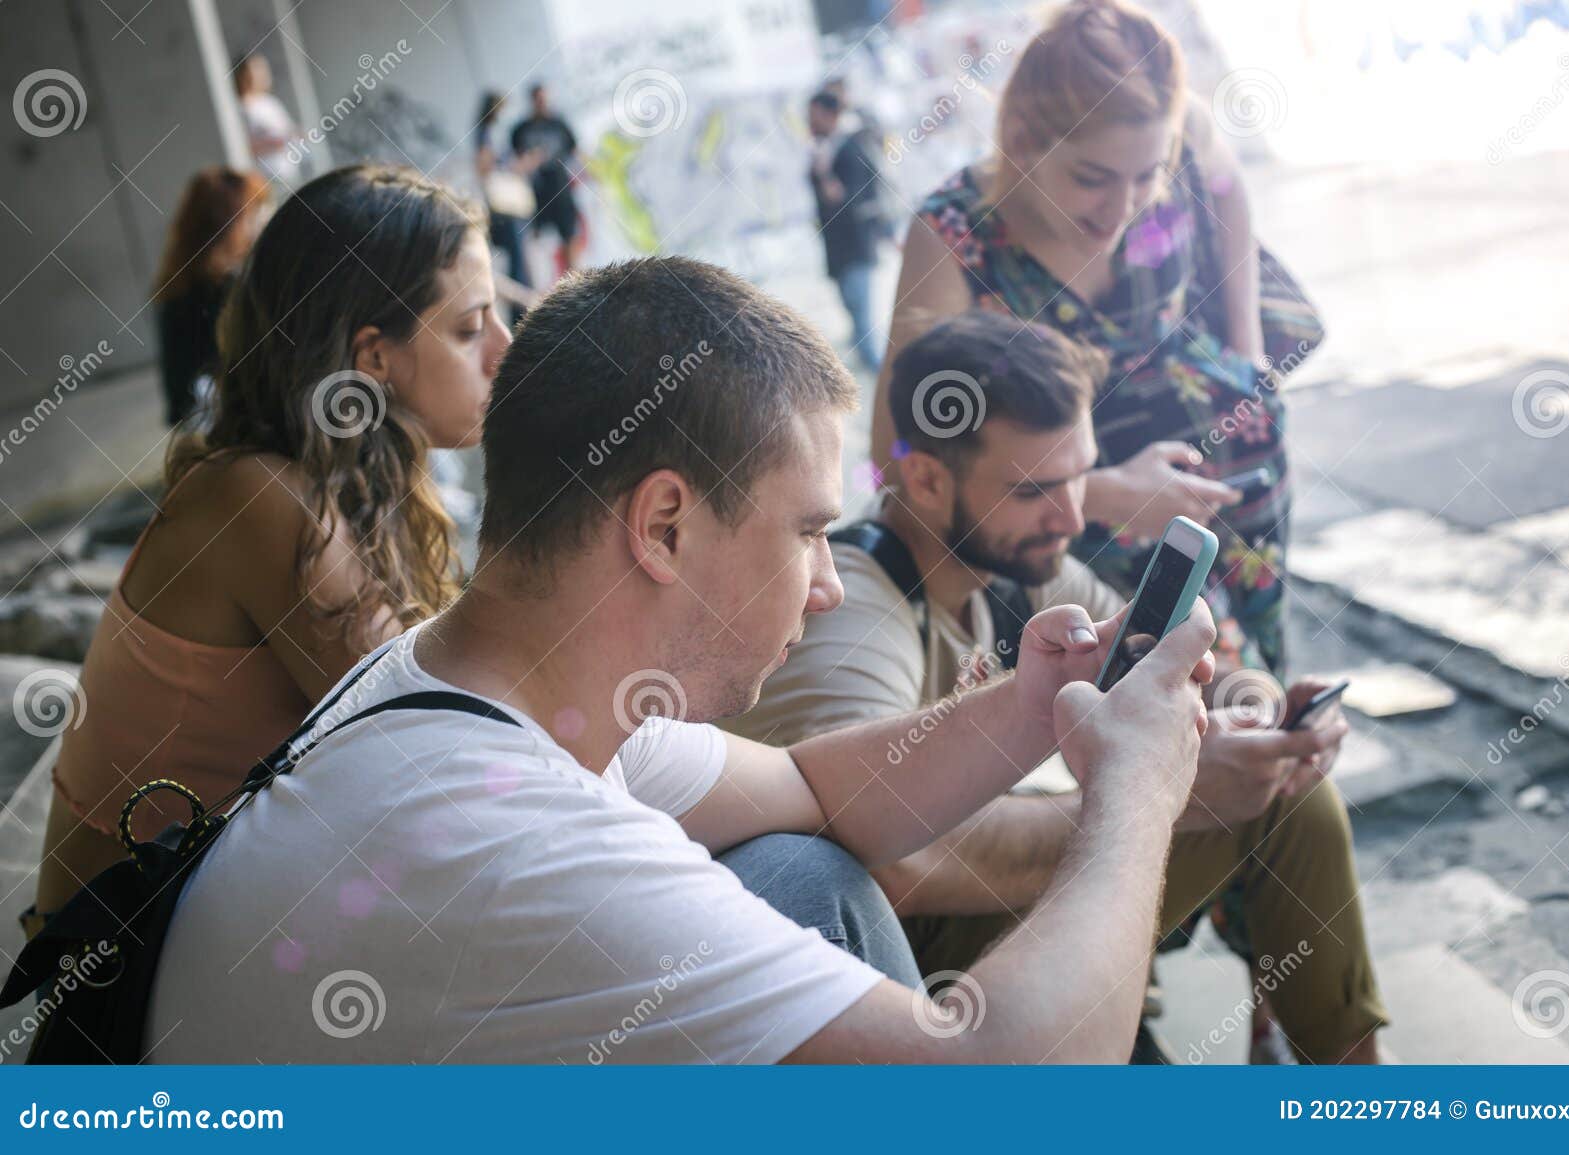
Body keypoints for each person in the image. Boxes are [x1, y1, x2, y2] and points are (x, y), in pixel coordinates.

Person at [141, 255, 1217, 1065]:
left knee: (802, 868)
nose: (831, 580)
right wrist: (1136, 790)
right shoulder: (513, 840)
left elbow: (812, 790)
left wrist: (1034, 708)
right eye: (805, 533)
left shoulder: (475, 687)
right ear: (661, 527)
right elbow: (989, 1086)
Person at [726, 311, 1388, 1064]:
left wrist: (1262, 711)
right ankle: (1358, 1085)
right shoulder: (857, 608)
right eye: (1035, 488)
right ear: (925, 477)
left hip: (979, 923)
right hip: (900, 991)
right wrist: (1158, 796)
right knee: (1280, 800)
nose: (1072, 517)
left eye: (1080, 476)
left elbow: (1186, 659)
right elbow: (884, 863)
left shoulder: (1013, 566)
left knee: (1276, 772)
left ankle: (1346, 1069)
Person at [22, 165, 510, 944]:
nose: (503, 350)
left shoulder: (351, 474)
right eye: (469, 327)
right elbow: (437, 732)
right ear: (373, 356)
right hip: (122, 976)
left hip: (220, 911)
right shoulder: (258, 499)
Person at [874, 0, 1301, 676]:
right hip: (1083, 545)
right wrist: (1096, 493)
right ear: (1019, 141)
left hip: (1236, 489)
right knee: (1165, 707)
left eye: (1147, 177)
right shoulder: (954, 237)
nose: (1123, 206)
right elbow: (898, 465)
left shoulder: (1178, 126)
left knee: (1262, 683)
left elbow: (1225, 185)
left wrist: (1246, 354)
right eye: (1090, 178)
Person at [150, 166, 269, 427]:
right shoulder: (220, 290)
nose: (262, 221)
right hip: (219, 423)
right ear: (230, 224)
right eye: (254, 213)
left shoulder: (180, 283)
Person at [807, 89, 886, 373]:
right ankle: (868, 369)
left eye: (814, 116)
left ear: (830, 114)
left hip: (855, 245)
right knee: (853, 310)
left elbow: (849, 198)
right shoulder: (827, 147)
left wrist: (826, 175)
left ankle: (877, 372)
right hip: (838, 246)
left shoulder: (851, 147)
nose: (810, 123)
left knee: (862, 315)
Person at [473, 90, 534, 320]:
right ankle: (523, 315)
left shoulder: (492, 133)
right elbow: (484, 166)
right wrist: (512, 165)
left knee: (520, 258)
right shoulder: (485, 133)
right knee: (517, 259)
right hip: (503, 207)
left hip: (507, 207)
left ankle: (525, 310)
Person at [510, 83, 583, 277]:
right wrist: (529, 162)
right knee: (535, 246)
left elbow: (575, 153)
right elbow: (515, 163)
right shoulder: (521, 129)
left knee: (569, 238)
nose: (542, 104)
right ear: (532, 101)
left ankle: (575, 282)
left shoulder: (559, 124)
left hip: (561, 189)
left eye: (545, 99)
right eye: (538, 100)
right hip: (536, 193)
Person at [234, 53, 303, 188]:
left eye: (263, 70)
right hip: (262, 180)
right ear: (243, 74)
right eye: (256, 70)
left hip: (287, 176)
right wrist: (273, 143)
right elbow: (242, 147)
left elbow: (289, 132)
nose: (261, 75)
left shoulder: (270, 103)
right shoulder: (241, 108)